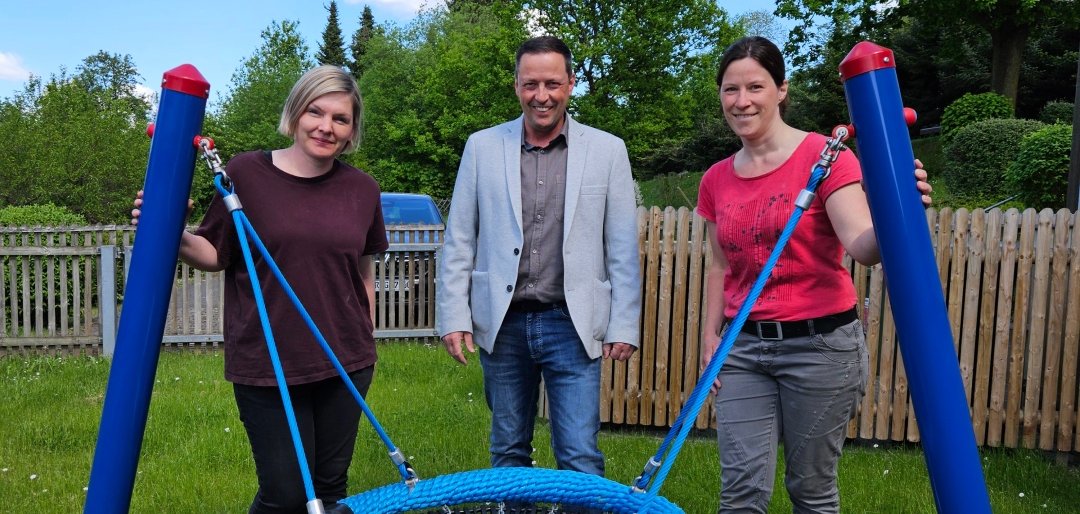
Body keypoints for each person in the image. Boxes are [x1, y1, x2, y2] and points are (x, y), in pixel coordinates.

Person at [132, 65, 387, 513]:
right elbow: (214, 252)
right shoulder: (246, 173)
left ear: (352, 130)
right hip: (268, 362)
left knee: (329, 490)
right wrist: (167, 225)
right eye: (315, 112)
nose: (326, 127)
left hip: (345, 360)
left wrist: (366, 339)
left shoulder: (363, 190)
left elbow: (362, 274)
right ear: (295, 113)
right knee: (286, 493)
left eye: (340, 119)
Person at [696, 36, 932, 513]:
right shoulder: (716, 178)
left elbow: (863, 247)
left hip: (821, 347)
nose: (741, 101)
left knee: (811, 490)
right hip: (743, 349)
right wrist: (709, 339)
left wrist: (899, 208)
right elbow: (720, 264)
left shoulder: (826, 157)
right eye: (730, 89)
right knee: (740, 492)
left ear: (781, 89)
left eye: (755, 87)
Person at [436, 35, 641, 486]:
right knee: (508, 448)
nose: (541, 95)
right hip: (503, 322)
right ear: (516, 86)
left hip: (573, 322)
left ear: (570, 83)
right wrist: (453, 316)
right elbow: (460, 240)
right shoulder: (482, 147)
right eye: (531, 84)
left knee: (580, 454)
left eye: (552, 83)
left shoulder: (608, 151)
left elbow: (622, 246)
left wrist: (624, 324)